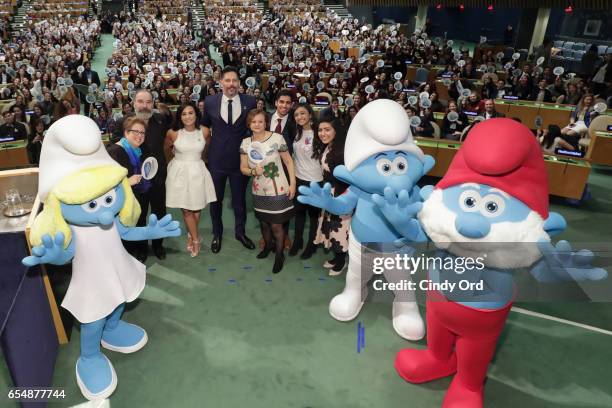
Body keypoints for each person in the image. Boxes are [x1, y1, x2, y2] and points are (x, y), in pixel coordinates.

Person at [202, 66, 257, 253]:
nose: (231, 84)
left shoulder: (250, 101)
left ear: (239, 83)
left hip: (240, 161)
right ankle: (217, 233)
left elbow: (254, 129)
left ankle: (240, 233)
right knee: (215, 200)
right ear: (220, 83)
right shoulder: (210, 102)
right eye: (227, 80)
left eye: (234, 81)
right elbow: (205, 128)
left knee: (239, 200)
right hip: (216, 161)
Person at [113, 89, 171, 259]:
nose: (144, 106)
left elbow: (166, 142)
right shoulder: (124, 122)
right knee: (139, 214)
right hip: (136, 179)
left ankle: (158, 245)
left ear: (153, 103)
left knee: (160, 212)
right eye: (140, 101)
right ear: (133, 103)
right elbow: (116, 150)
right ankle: (142, 247)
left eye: (148, 102)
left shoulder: (160, 119)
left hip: (158, 178)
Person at [240, 109, 296, 273]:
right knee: (264, 222)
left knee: (277, 225)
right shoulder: (245, 143)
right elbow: (243, 167)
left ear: (266, 122)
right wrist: (252, 172)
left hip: (278, 188)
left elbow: (288, 162)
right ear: (249, 124)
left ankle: (279, 255)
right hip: (259, 189)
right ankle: (267, 247)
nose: (257, 124)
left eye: (260, 121)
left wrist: (292, 184)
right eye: (253, 122)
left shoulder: (277, 138)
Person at [164, 103, 217, 257]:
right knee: (186, 209)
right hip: (179, 173)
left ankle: (190, 234)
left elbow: (208, 150)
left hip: (197, 171)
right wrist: (172, 163)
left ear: (196, 114)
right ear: (180, 116)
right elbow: (165, 149)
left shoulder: (205, 131)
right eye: (184, 114)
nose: (187, 117)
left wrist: (204, 164)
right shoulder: (173, 133)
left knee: (196, 207)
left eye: (190, 113)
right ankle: (195, 239)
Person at [107, 116, 153, 262]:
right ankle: (127, 252)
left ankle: (142, 248)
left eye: (142, 133)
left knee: (140, 221)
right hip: (123, 199)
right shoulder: (115, 151)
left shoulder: (139, 150)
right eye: (136, 132)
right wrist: (128, 182)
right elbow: (107, 183)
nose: (140, 136)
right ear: (126, 132)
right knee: (126, 226)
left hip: (140, 195)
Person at [313, 118, 350, 276]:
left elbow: (347, 178)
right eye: (320, 130)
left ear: (336, 131)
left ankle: (342, 260)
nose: (323, 133)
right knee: (331, 226)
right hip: (329, 193)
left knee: (340, 228)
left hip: (340, 195)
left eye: (327, 129)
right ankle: (337, 256)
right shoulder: (328, 147)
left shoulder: (342, 151)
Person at [290, 103, 324, 258]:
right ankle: (297, 241)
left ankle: (312, 244)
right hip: (299, 179)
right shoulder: (296, 133)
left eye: (303, 113)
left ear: (310, 114)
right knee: (299, 214)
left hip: (316, 181)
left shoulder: (319, 133)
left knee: (313, 216)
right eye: (296, 115)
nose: (299, 117)